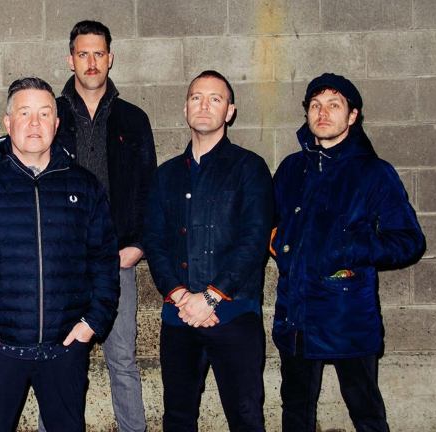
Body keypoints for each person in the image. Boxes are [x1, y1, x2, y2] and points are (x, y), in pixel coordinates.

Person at [0, 77, 119, 432]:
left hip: (65, 348)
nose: (35, 123)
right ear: (8, 122)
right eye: (25, 113)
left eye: (44, 113)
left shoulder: (83, 185)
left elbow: (104, 259)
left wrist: (93, 322)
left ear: (56, 123)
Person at [271, 73, 425, 432]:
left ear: (352, 115)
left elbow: (409, 241)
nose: (322, 113)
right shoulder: (292, 168)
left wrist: (350, 247)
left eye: (334, 105)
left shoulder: (374, 173)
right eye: (315, 105)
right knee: (295, 412)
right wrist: (276, 240)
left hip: (348, 316)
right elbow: (269, 220)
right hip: (295, 316)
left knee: (366, 412)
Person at [143, 70, 273, 431]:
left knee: (245, 417)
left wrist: (211, 297)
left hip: (234, 314)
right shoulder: (165, 175)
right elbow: (155, 241)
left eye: (215, 99)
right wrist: (182, 296)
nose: (204, 105)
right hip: (178, 317)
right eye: (196, 97)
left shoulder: (250, 168)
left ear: (229, 111)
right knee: (177, 418)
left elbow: (254, 239)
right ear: (185, 108)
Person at [52, 20, 156, 431]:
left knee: (123, 360)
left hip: (116, 260)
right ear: (71, 60)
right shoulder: (51, 114)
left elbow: (149, 188)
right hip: (61, 264)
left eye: (98, 54)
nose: (91, 62)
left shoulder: (133, 119)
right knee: (58, 360)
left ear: (110, 59)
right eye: (83, 54)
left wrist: (139, 245)